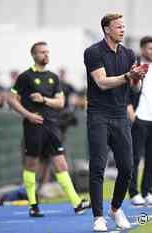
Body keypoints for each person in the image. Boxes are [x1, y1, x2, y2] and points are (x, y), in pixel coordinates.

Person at [7, 41, 91, 217]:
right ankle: (33, 205)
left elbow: (60, 103)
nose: (46, 55)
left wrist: (44, 100)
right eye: (42, 52)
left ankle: (76, 203)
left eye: (47, 52)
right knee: (31, 165)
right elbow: (11, 99)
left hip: (52, 126)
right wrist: (27, 114)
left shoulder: (53, 77)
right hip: (33, 127)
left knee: (61, 164)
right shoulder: (25, 77)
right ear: (34, 55)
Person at [84, 13, 147, 231]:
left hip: (120, 116)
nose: (122, 29)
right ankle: (98, 217)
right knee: (98, 166)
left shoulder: (129, 53)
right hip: (98, 115)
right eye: (118, 26)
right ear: (106, 29)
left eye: (123, 26)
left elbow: (134, 88)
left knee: (128, 168)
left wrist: (136, 78)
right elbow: (101, 82)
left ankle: (115, 209)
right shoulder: (93, 52)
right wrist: (128, 76)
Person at [127, 36, 152, 206]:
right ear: (143, 49)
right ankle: (134, 193)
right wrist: (129, 107)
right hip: (141, 118)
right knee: (135, 158)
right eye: (150, 49)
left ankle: (148, 191)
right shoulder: (135, 66)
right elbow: (127, 89)